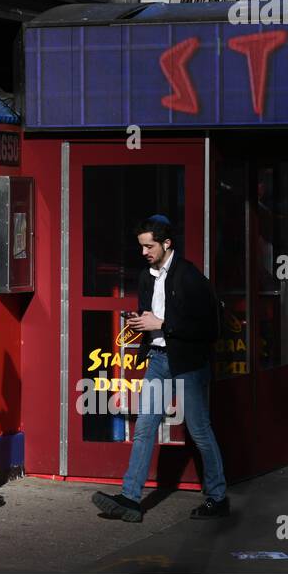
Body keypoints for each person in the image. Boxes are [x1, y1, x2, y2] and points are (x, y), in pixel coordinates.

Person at [92, 215, 229, 522]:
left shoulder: (190, 277)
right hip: (158, 359)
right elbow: (150, 317)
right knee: (144, 428)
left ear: (167, 244)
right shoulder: (146, 277)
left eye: (149, 246)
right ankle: (130, 498)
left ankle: (218, 497)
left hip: (189, 363)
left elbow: (210, 328)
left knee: (199, 430)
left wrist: (162, 324)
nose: (144, 252)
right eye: (141, 246)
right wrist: (141, 324)